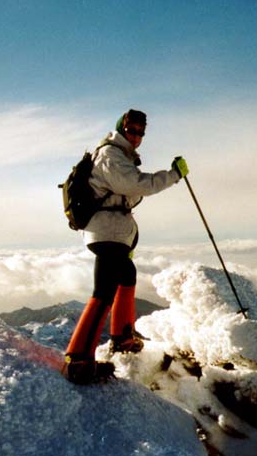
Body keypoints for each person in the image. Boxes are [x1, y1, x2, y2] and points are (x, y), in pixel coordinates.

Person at [62, 109, 189, 384]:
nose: (137, 136)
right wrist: (174, 175)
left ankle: (122, 338)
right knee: (104, 292)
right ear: (122, 128)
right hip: (107, 232)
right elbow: (136, 185)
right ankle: (78, 361)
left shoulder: (120, 155)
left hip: (111, 232)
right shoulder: (111, 155)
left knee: (126, 275)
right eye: (132, 130)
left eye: (141, 132)